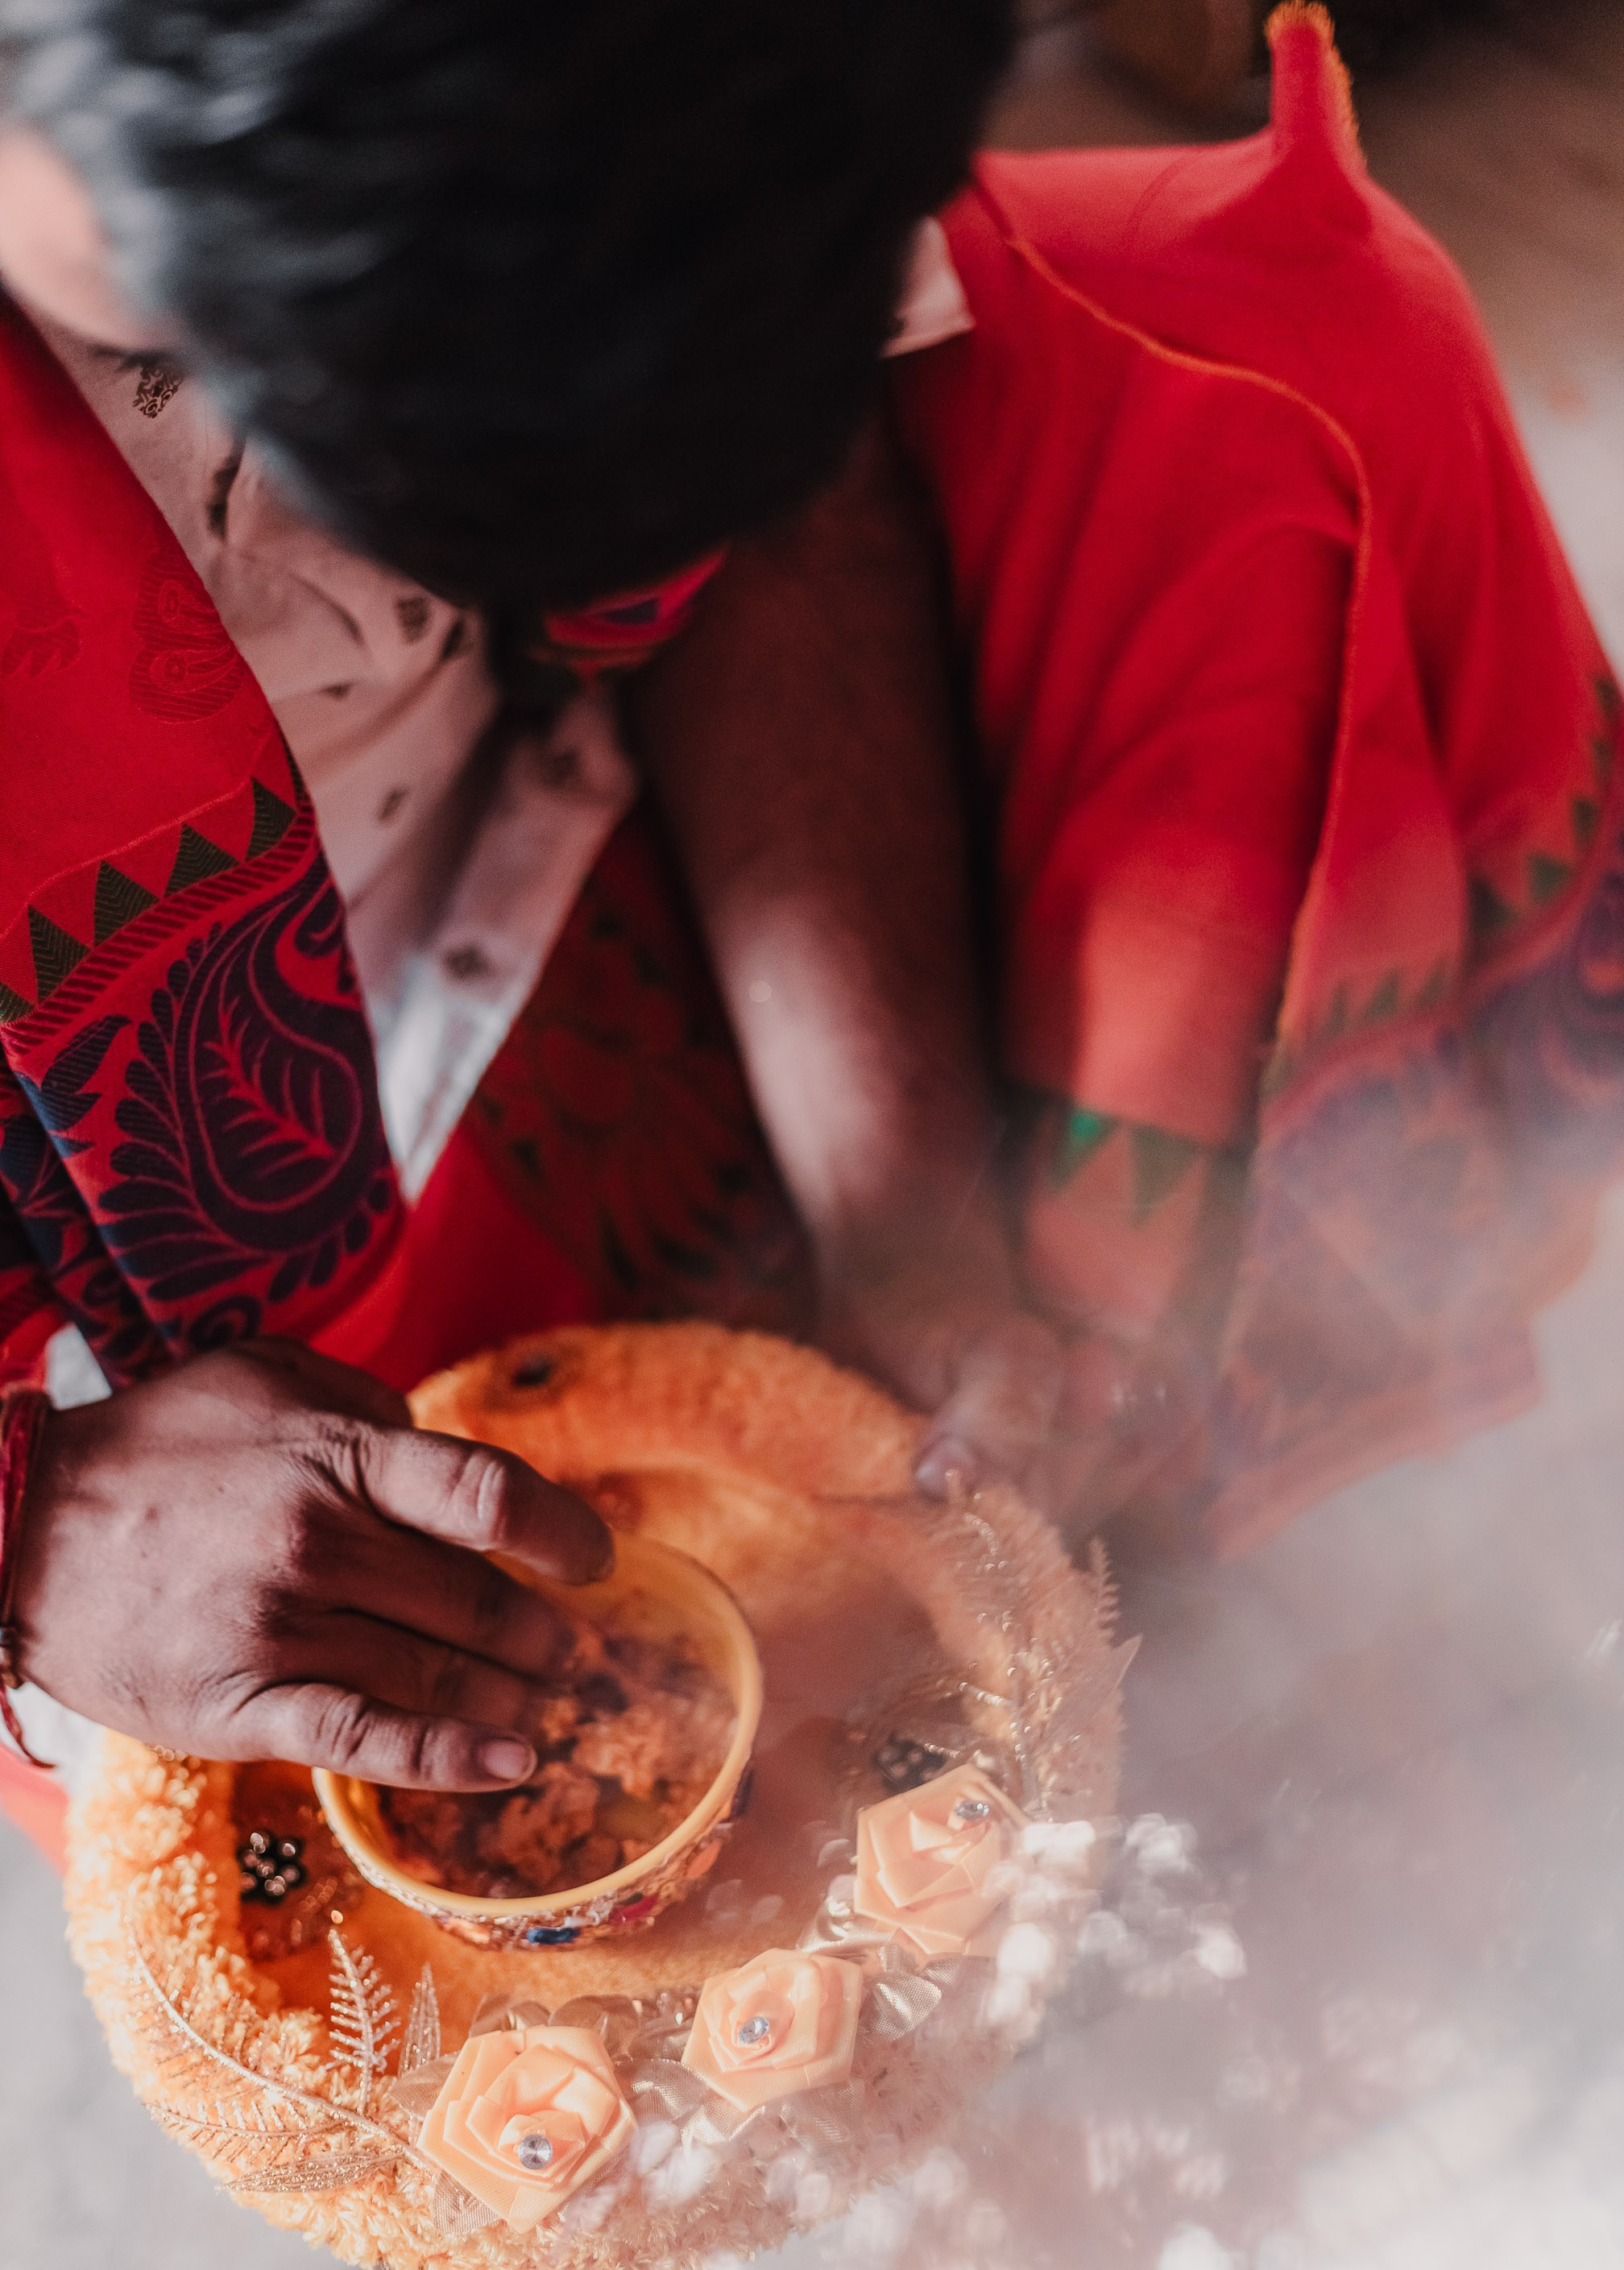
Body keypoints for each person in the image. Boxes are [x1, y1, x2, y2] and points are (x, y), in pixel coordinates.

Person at [0, 1, 1617, 1840]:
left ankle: (1163, 1449)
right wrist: (53, 1528)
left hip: (566, 776)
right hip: (112, 1216)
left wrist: (908, 1233)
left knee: (1302, 360)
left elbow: (773, 507)